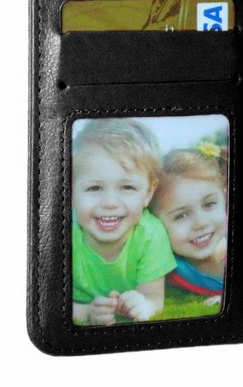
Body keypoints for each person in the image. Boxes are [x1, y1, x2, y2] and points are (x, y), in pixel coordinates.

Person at [72, 118, 177, 325]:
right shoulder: (63, 232)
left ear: (148, 193)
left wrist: (144, 305)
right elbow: (49, 302)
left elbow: (153, 298)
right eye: (94, 188)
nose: (110, 203)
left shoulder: (151, 233)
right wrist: (86, 312)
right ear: (71, 191)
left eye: (127, 187)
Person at [151, 143, 228, 304]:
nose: (201, 223)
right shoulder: (168, 266)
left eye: (209, 204)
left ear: (225, 198)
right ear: (155, 223)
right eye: (181, 216)